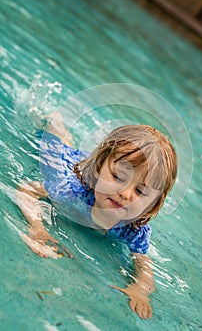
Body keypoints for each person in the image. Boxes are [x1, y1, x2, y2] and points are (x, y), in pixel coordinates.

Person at [16, 113, 177, 319]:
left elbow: (144, 264)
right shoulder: (72, 193)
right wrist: (37, 228)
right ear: (100, 169)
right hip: (65, 162)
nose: (125, 194)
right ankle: (56, 120)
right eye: (118, 177)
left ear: (153, 204)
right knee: (56, 140)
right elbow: (27, 191)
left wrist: (140, 289)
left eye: (140, 191)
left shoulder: (135, 228)